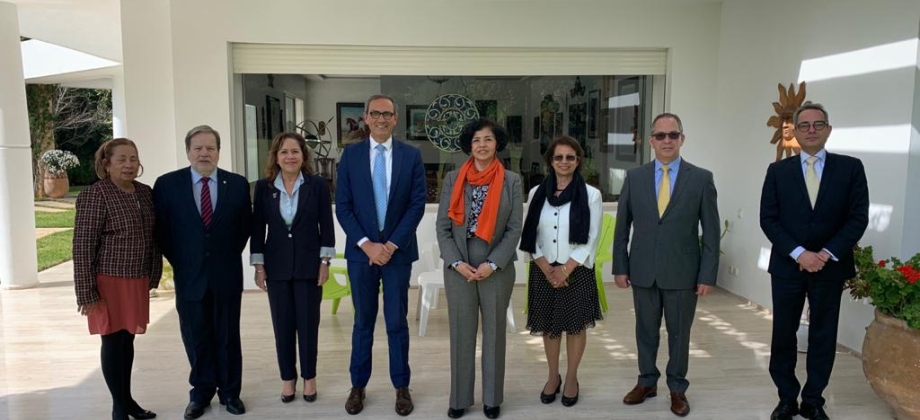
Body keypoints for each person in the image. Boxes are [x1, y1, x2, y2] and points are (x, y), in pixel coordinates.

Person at [760, 103, 868, 420]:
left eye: (818, 124)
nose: (811, 130)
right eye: (804, 125)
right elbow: (768, 219)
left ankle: (813, 400)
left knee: (823, 335)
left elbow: (857, 217)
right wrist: (799, 253)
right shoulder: (777, 171)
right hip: (787, 267)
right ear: (794, 131)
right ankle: (786, 398)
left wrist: (825, 253)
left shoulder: (850, 168)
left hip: (830, 267)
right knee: (783, 334)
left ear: (828, 129)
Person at [612, 113, 720, 417]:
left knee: (679, 334)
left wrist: (707, 274)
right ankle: (646, 381)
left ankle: (677, 388)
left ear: (682, 138)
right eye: (660, 135)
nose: (667, 141)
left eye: (673, 135)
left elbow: (710, 231)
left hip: (683, 273)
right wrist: (620, 266)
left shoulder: (701, 178)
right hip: (643, 270)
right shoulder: (634, 177)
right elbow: (622, 227)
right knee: (645, 330)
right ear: (651, 141)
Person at [335, 94, 426, 416]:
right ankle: (358, 386)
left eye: (387, 114)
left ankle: (401, 386)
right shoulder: (350, 156)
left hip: (397, 255)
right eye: (376, 114)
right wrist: (367, 244)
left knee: (396, 322)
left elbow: (417, 204)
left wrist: (390, 245)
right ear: (366, 117)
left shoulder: (411, 156)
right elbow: (343, 207)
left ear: (396, 118)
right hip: (362, 255)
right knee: (362, 323)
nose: (382, 119)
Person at [153, 125, 252, 420]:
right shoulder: (167, 185)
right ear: (188, 152)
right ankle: (201, 393)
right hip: (189, 275)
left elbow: (244, 228)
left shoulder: (237, 184)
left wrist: (224, 255)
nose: (204, 153)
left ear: (219, 152)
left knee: (228, 336)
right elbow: (163, 231)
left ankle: (231, 392)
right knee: (196, 337)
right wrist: (183, 260)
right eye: (198, 148)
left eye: (210, 148)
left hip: (226, 274)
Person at [435, 119, 523, 419]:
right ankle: (459, 399)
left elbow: (514, 229)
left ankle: (492, 398)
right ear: (468, 146)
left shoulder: (512, 180)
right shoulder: (453, 178)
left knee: (494, 332)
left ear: (497, 144)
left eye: (488, 139)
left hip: (496, 265)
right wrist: (456, 263)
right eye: (476, 140)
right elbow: (443, 227)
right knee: (461, 332)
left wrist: (492, 263)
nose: (482, 145)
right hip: (458, 263)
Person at [73, 138, 161, 420]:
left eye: (133, 159)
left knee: (128, 341)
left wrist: (154, 272)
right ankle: (119, 406)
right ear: (106, 164)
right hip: (107, 282)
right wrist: (86, 292)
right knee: (112, 342)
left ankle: (127, 401)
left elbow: (153, 238)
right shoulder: (95, 194)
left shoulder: (145, 193)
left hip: (136, 279)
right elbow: (83, 246)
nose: (128, 165)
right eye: (121, 159)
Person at [250, 132, 335, 404]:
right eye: (284, 152)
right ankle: (288, 378)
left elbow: (327, 227)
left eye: (295, 151)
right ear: (276, 156)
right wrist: (258, 265)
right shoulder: (264, 188)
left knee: (309, 326)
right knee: (282, 326)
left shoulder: (317, 185)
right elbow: (257, 228)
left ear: (303, 155)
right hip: (276, 269)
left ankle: (309, 378)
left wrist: (325, 262)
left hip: (310, 267)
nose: (290, 156)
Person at [520, 135, 603, 409]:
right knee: (549, 326)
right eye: (559, 157)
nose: (564, 162)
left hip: (576, 271)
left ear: (578, 161)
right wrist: (546, 268)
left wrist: (566, 269)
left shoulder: (591, 195)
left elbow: (592, 237)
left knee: (575, 326)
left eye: (570, 157)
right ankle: (552, 376)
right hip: (543, 270)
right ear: (550, 162)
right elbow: (531, 234)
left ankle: (571, 378)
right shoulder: (535, 193)